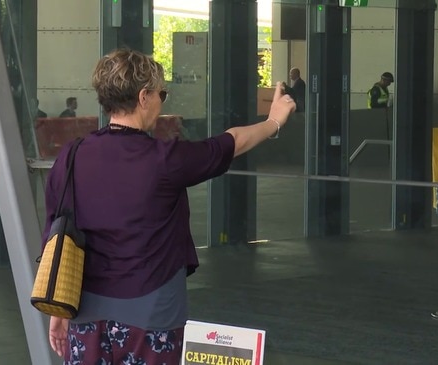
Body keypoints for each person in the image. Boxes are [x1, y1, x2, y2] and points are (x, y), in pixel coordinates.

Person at [43, 48, 295, 364]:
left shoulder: (73, 154)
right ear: (144, 96)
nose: (163, 101)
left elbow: (56, 226)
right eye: (162, 93)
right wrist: (273, 121)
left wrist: (59, 307)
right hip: (150, 312)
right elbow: (229, 143)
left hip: (84, 309)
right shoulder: (163, 159)